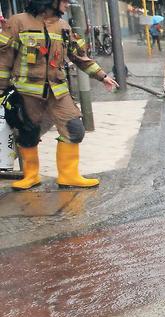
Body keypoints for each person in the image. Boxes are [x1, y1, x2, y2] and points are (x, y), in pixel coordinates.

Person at [1, 0, 119, 190]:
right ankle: (31, 176)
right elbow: (4, 59)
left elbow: (80, 56)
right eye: (63, 1)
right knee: (27, 132)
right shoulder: (18, 22)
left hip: (57, 90)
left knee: (74, 128)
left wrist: (102, 76)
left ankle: (68, 175)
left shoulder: (63, 26)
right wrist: (2, 90)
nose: (67, 4)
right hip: (26, 91)